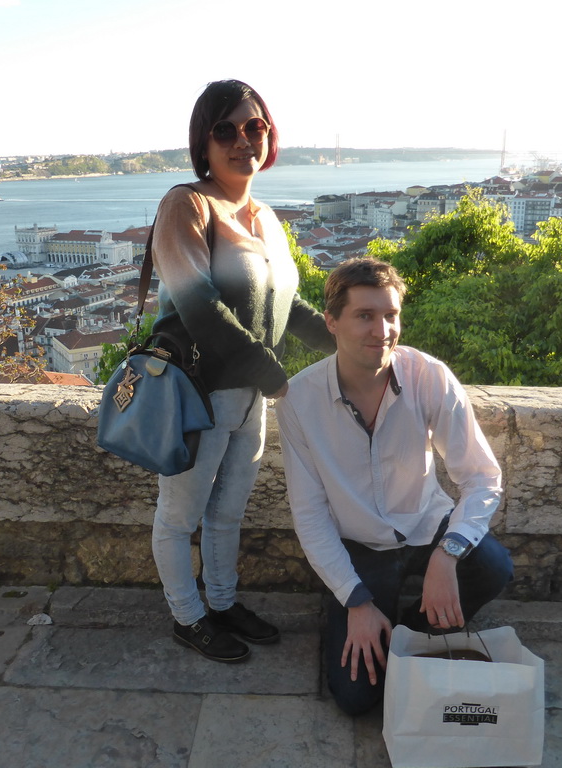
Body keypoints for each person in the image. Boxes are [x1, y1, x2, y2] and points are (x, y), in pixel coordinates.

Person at [275, 257, 514, 715]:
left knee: (493, 566)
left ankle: (411, 630)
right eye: (365, 316)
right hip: (360, 546)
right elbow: (310, 515)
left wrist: (447, 555)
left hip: (426, 526)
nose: (382, 330)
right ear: (331, 322)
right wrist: (357, 602)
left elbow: (483, 476)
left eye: (390, 315)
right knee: (357, 698)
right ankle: (366, 622)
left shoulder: (428, 376)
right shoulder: (299, 400)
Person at [149, 80, 335, 664]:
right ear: (202, 142)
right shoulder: (187, 205)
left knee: (228, 512)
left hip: (250, 396)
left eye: (254, 128)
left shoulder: (264, 217)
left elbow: (288, 307)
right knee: (179, 517)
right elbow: (201, 307)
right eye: (224, 130)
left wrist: (351, 345)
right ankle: (188, 617)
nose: (241, 141)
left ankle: (223, 602)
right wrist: (276, 377)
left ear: (270, 137)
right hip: (199, 392)